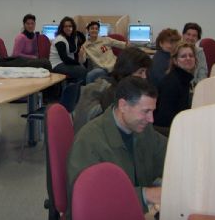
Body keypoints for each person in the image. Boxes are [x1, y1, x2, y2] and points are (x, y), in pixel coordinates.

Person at [67, 76, 167, 217]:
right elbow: (90, 200)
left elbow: (168, 154)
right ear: (123, 106)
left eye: (152, 111)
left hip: (138, 211)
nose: (151, 119)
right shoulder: (89, 142)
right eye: (145, 111)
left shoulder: (143, 129)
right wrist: (146, 195)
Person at [73, 46, 152, 132]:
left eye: (145, 72)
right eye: (141, 72)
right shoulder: (113, 95)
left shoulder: (120, 87)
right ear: (127, 71)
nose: (144, 77)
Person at [153, 42, 196, 135]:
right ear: (175, 61)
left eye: (191, 55)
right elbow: (165, 117)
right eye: (183, 56)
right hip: (167, 130)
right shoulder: (171, 82)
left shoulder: (183, 78)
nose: (188, 58)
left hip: (175, 125)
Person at [48, 16, 87, 84]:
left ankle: (73, 89)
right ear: (62, 28)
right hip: (57, 64)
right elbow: (65, 58)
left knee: (82, 69)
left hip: (66, 63)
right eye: (65, 26)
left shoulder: (73, 38)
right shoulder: (60, 40)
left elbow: (77, 48)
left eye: (70, 26)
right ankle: (72, 90)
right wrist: (77, 63)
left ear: (73, 27)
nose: (68, 28)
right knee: (82, 70)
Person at [182, 22, 208, 86]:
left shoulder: (200, 52)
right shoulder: (175, 51)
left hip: (194, 87)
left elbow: (203, 73)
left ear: (198, 39)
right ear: (183, 35)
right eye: (188, 34)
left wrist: (195, 86)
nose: (190, 38)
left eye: (194, 36)